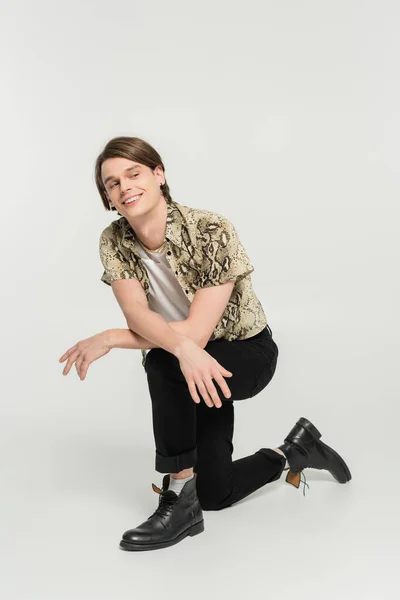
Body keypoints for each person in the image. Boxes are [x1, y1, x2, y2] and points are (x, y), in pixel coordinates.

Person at [59, 136, 352, 552]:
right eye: (111, 183)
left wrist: (109, 339)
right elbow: (138, 315)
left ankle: (178, 497)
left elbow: (196, 334)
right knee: (216, 493)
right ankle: (294, 451)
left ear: (159, 175)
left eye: (133, 174)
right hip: (192, 365)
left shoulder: (211, 229)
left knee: (162, 361)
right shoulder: (114, 241)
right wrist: (162, 343)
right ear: (107, 197)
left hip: (245, 353)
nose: (123, 187)